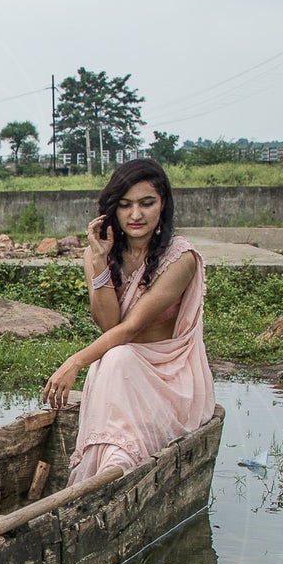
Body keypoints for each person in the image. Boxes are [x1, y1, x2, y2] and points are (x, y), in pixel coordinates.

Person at [40, 158, 214, 482]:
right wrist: (101, 260)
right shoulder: (96, 255)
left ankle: (115, 468)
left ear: (163, 205)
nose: (136, 215)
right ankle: (107, 469)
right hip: (121, 369)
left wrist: (75, 362)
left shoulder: (181, 258)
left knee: (115, 358)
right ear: (112, 211)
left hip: (167, 374)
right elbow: (109, 323)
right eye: (126, 205)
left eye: (147, 203)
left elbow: (131, 327)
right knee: (116, 358)